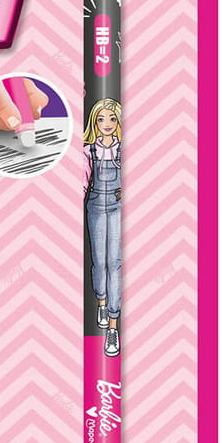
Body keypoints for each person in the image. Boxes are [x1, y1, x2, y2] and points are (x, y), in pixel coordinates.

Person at [83, 98, 122, 357]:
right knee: (99, 263)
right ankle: (101, 301)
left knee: (115, 263)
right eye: (101, 118)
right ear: (94, 122)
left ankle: (113, 326)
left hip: (118, 207)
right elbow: (82, 181)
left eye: (112, 118)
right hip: (96, 206)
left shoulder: (124, 149)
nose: (106, 123)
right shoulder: (89, 150)